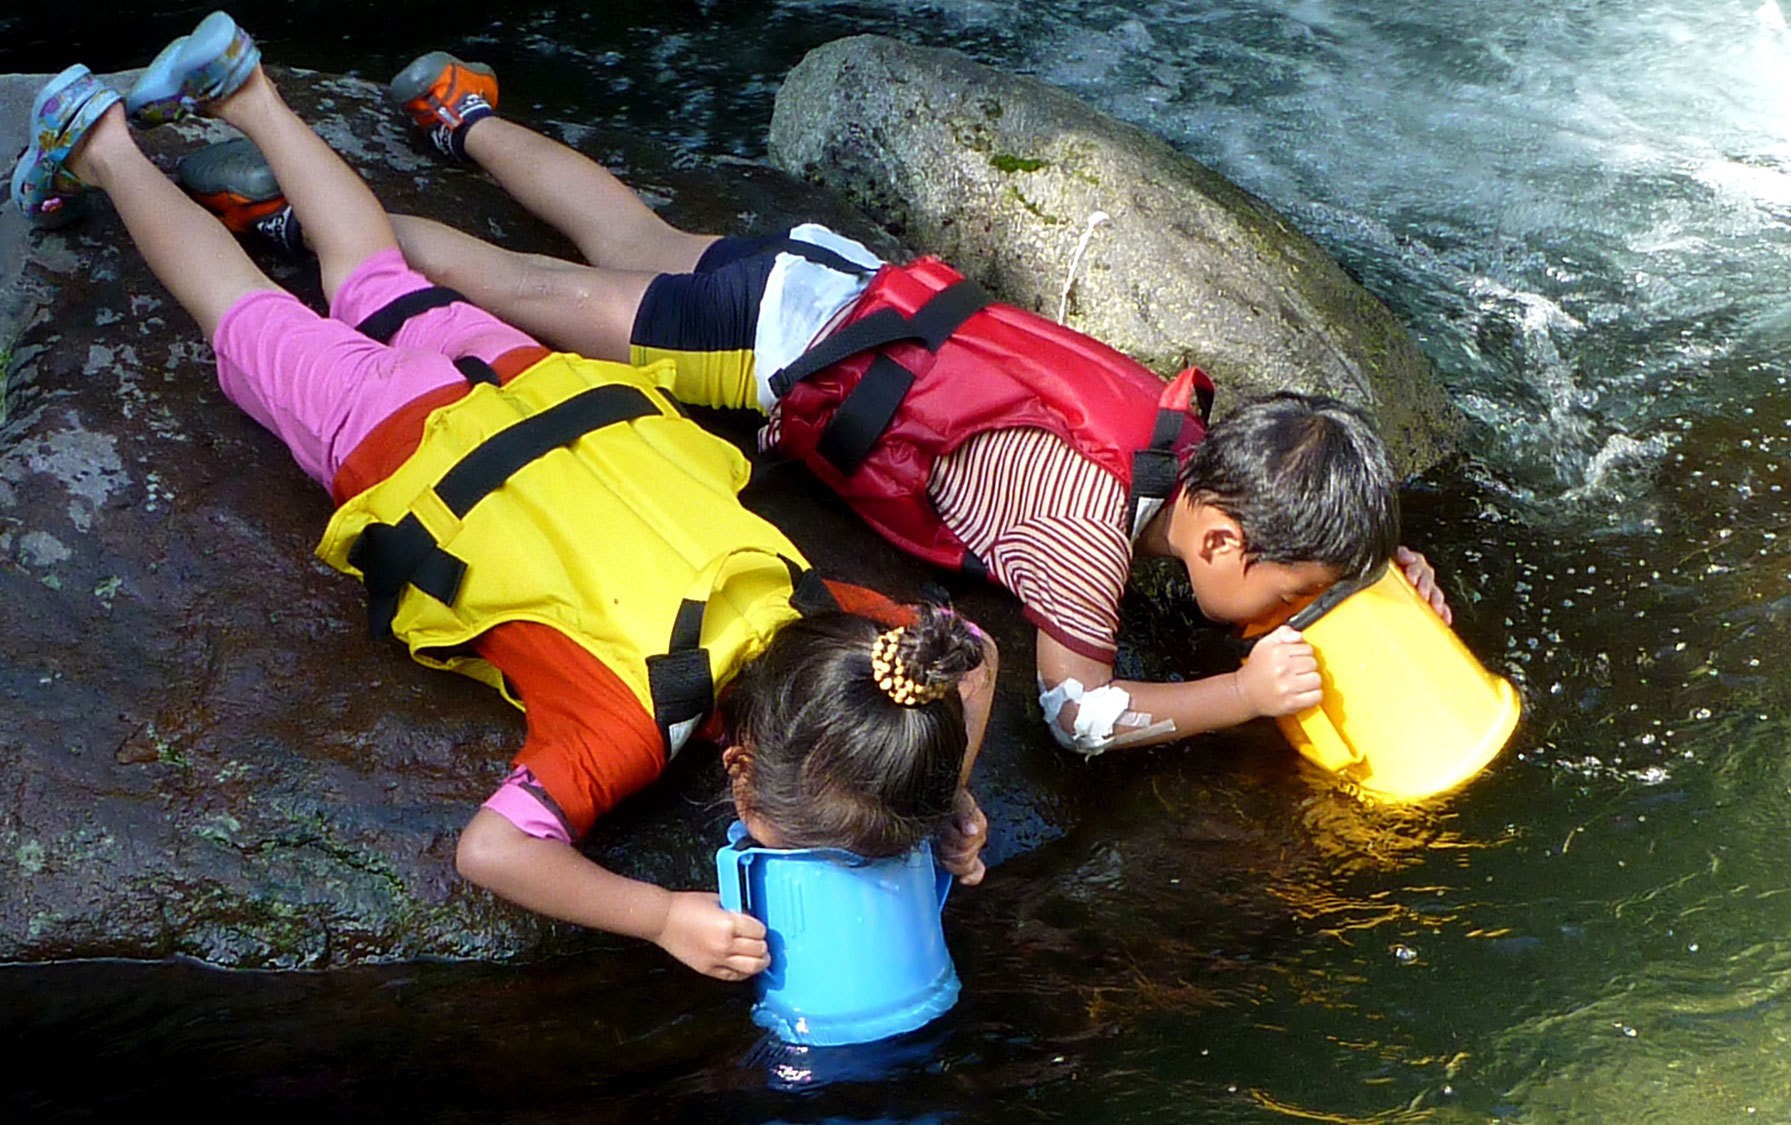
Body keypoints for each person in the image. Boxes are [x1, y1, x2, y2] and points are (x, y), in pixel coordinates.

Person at [9, 11, 996, 981]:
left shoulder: (841, 631)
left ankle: (248, 90)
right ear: (737, 776)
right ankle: (102, 143)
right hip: (392, 435)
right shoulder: (621, 723)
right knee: (242, 307)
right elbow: (491, 853)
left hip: (534, 385)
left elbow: (975, 654)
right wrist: (655, 916)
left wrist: (937, 790)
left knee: (371, 274)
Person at [192, 48, 1453, 757]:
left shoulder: (1177, 434)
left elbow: (1260, 545)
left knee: (637, 227)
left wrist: (1364, 572)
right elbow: (1075, 714)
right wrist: (1237, 697)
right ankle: (298, 218)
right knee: (528, 287)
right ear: (1220, 539)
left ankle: (459, 114)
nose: (1281, 622)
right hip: (764, 350)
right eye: (1289, 595)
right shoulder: (1079, 537)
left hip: (837, 283)